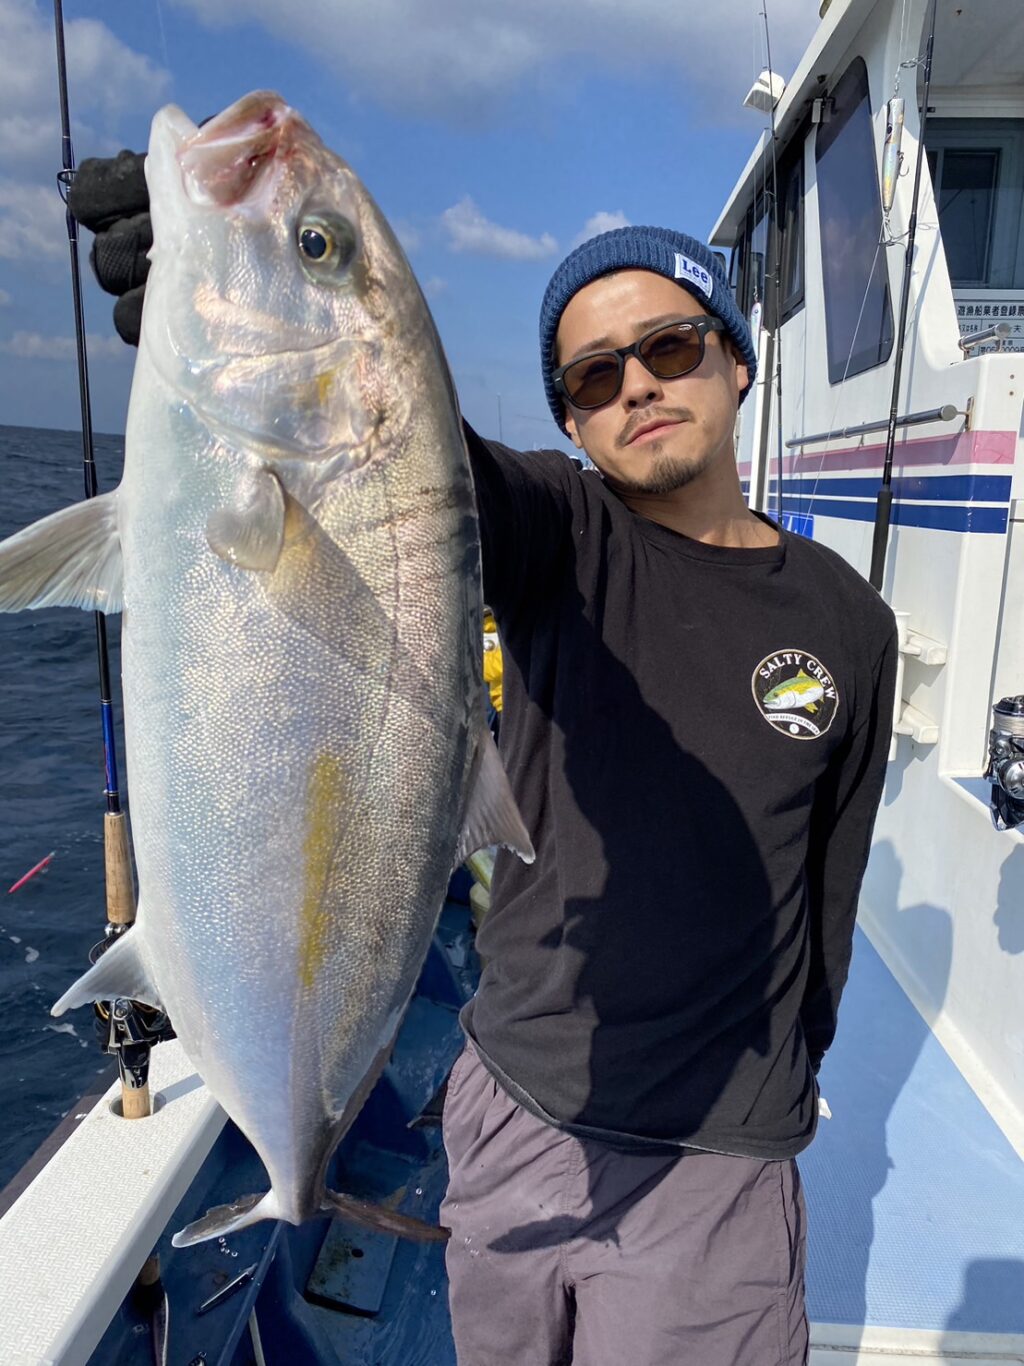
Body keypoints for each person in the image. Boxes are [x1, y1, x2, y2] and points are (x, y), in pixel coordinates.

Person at [73, 162, 896, 1366]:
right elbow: (405, 464)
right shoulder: (561, 529)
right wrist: (232, 312)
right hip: (515, 1111)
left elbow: (830, 879)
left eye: (669, 348)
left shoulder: (847, 619)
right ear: (571, 421)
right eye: (594, 376)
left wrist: (794, 1075)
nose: (637, 386)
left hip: (716, 1156)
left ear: (735, 359)